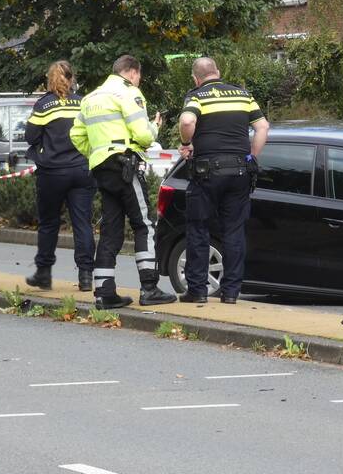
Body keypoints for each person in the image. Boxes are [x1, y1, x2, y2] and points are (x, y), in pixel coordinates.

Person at [69, 55, 176, 307]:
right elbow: (143, 136)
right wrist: (154, 127)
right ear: (132, 72)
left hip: (102, 167)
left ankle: (104, 292)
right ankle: (149, 288)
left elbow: (76, 135)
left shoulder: (90, 98)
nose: (139, 81)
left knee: (110, 230)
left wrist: (98, 152)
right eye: (139, 76)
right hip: (125, 165)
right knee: (144, 225)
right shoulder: (128, 93)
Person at [177, 57, 269, 304]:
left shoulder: (197, 96)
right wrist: (252, 157)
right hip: (239, 172)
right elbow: (262, 127)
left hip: (206, 173)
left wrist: (186, 143)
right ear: (217, 72)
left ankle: (197, 290)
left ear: (196, 78)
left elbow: (187, 121)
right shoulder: (242, 95)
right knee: (234, 231)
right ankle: (230, 293)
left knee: (199, 229)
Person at [24, 60, 96, 292]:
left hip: (52, 173)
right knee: (82, 223)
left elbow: (30, 136)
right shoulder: (82, 103)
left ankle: (44, 273)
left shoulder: (44, 105)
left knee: (49, 223)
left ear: (50, 80)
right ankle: (86, 276)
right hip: (81, 170)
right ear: (72, 79)